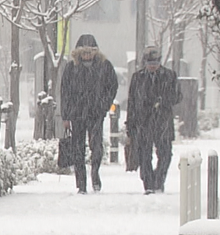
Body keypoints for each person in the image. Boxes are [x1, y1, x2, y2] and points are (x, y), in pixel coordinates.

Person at [59, 34, 118, 193]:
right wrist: (65, 116)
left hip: (96, 113)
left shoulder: (104, 67)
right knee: (78, 149)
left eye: (90, 51)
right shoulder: (71, 68)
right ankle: (81, 183)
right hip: (77, 114)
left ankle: (95, 172)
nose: (87, 55)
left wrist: (104, 105)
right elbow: (65, 92)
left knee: (96, 146)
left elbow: (112, 87)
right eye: (84, 52)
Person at [126, 46, 181, 194]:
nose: (152, 66)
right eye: (150, 63)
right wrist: (130, 124)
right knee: (144, 154)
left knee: (165, 154)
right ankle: (148, 183)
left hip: (163, 121)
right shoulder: (138, 77)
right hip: (143, 121)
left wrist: (163, 101)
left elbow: (177, 96)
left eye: (155, 62)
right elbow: (131, 101)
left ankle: (159, 179)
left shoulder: (169, 76)